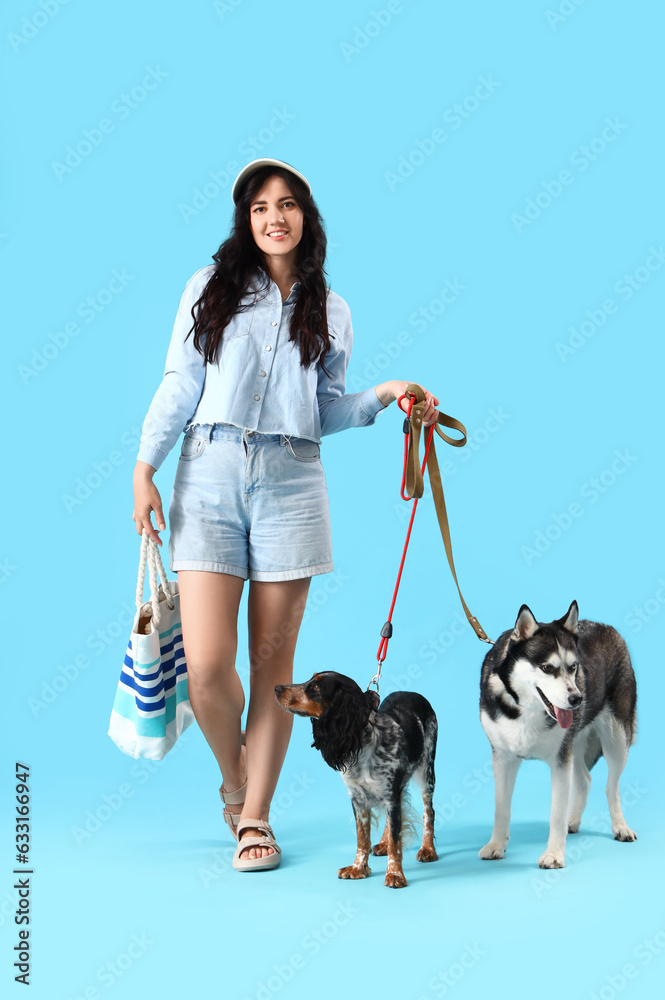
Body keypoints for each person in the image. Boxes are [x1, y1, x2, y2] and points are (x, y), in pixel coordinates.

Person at [131, 157, 439, 872]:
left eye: (289, 204)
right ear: (246, 218)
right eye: (262, 205)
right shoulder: (209, 290)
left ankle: (256, 820)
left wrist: (384, 394)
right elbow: (181, 384)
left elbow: (323, 409)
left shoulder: (331, 310)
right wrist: (145, 467)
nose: (276, 216)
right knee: (208, 667)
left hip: (293, 482)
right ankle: (237, 782)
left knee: (274, 664)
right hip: (207, 472)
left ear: (307, 216)